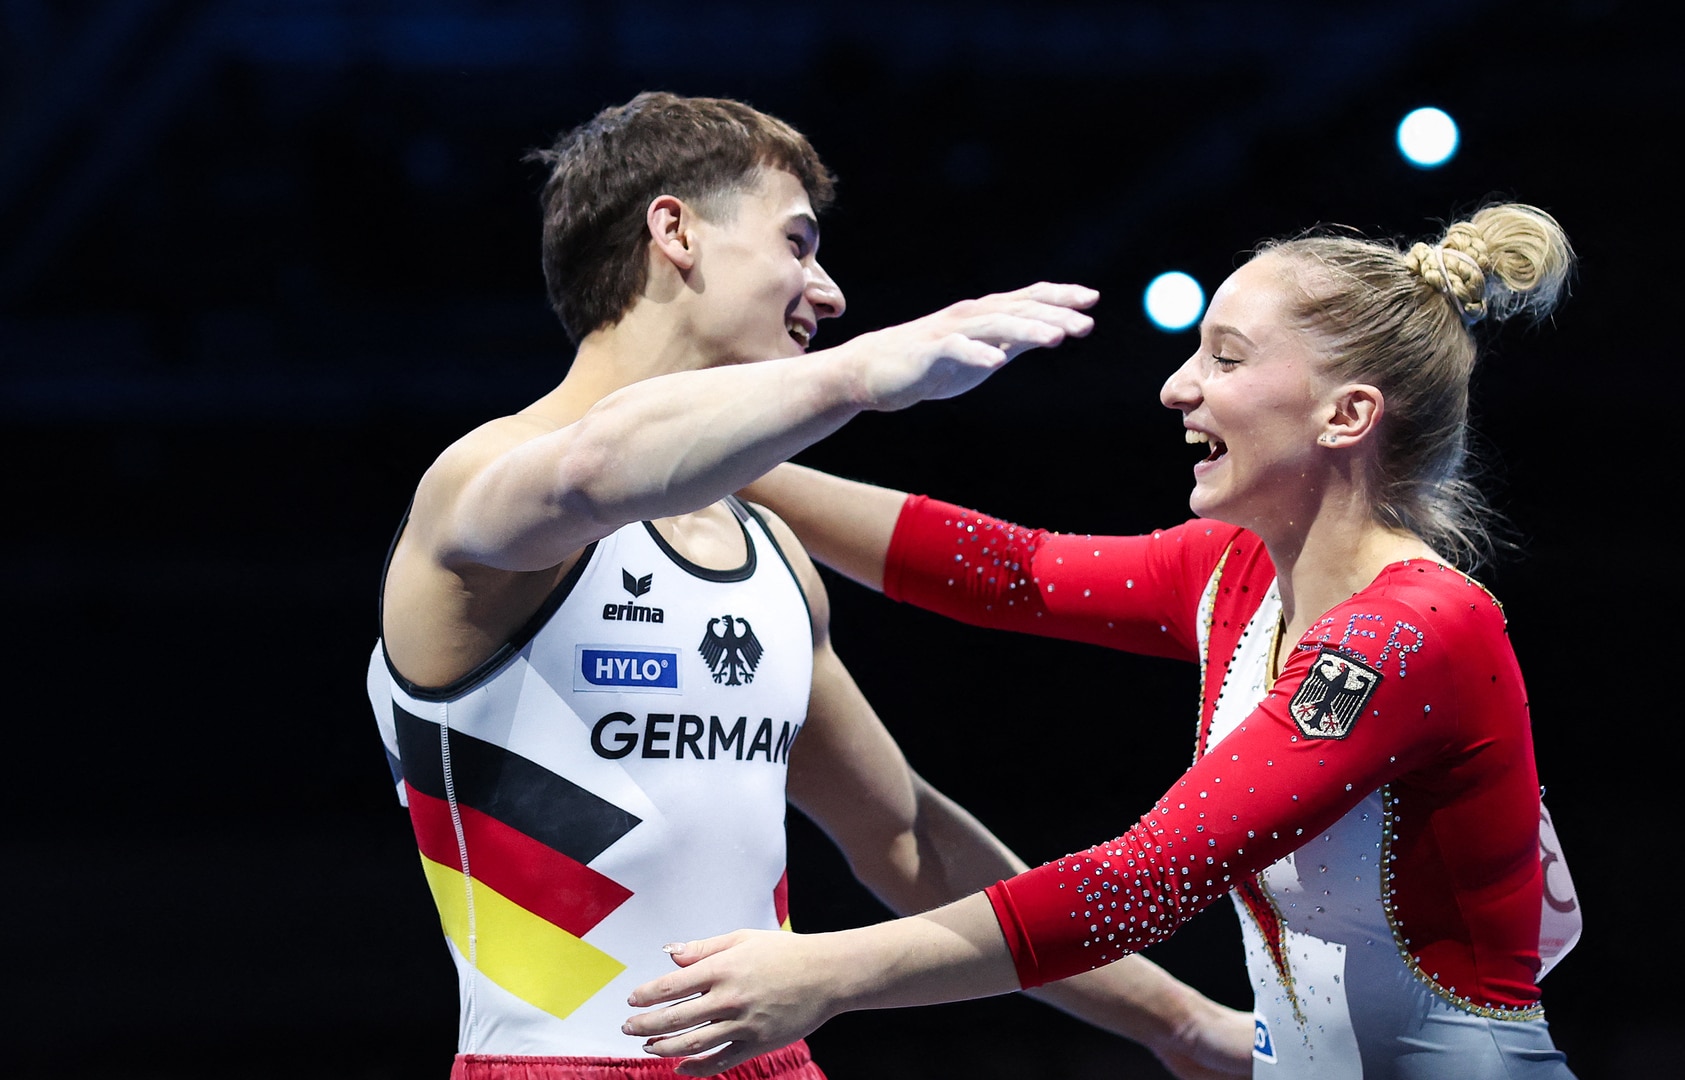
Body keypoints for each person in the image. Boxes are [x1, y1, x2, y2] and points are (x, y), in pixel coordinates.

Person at [364, 90, 1253, 1080]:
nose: (828, 295)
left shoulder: (772, 553)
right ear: (676, 232)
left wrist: (1181, 1023)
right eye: (797, 243)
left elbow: (910, 841)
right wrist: (861, 376)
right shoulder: (478, 491)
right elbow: (596, 466)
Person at [622, 201, 1583, 1079]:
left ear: (1348, 415)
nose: (1176, 386)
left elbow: (1146, 879)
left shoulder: (1414, 631)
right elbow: (1007, 570)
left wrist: (829, 970)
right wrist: (713, 458)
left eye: (1227, 358)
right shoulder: (1234, 575)